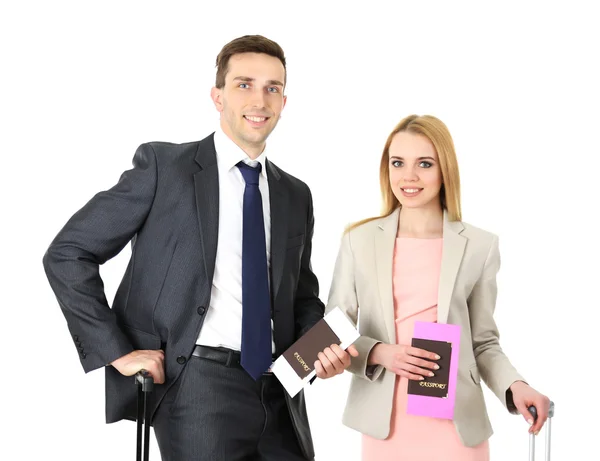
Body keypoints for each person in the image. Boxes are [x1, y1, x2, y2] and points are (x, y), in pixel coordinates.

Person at [43, 34, 357, 461]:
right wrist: (117, 352)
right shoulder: (165, 168)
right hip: (197, 389)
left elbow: (300, 297)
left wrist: (321, 351)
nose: (259, 100)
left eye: (273, 88)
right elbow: (68, 253)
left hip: (283, 393)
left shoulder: (295, 194)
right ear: (217, 96)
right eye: (244, 84)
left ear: (285, 101)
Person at [325, 114, 550, 460]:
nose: (408, 177)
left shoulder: (480, 245)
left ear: (444, 170)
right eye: (398, 163)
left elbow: (483, 343)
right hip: (387, 426)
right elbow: (332, 332)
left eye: (424, 164)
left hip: (456, 428)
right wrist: (381, 353)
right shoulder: (359, 240)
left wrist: (515, 386)